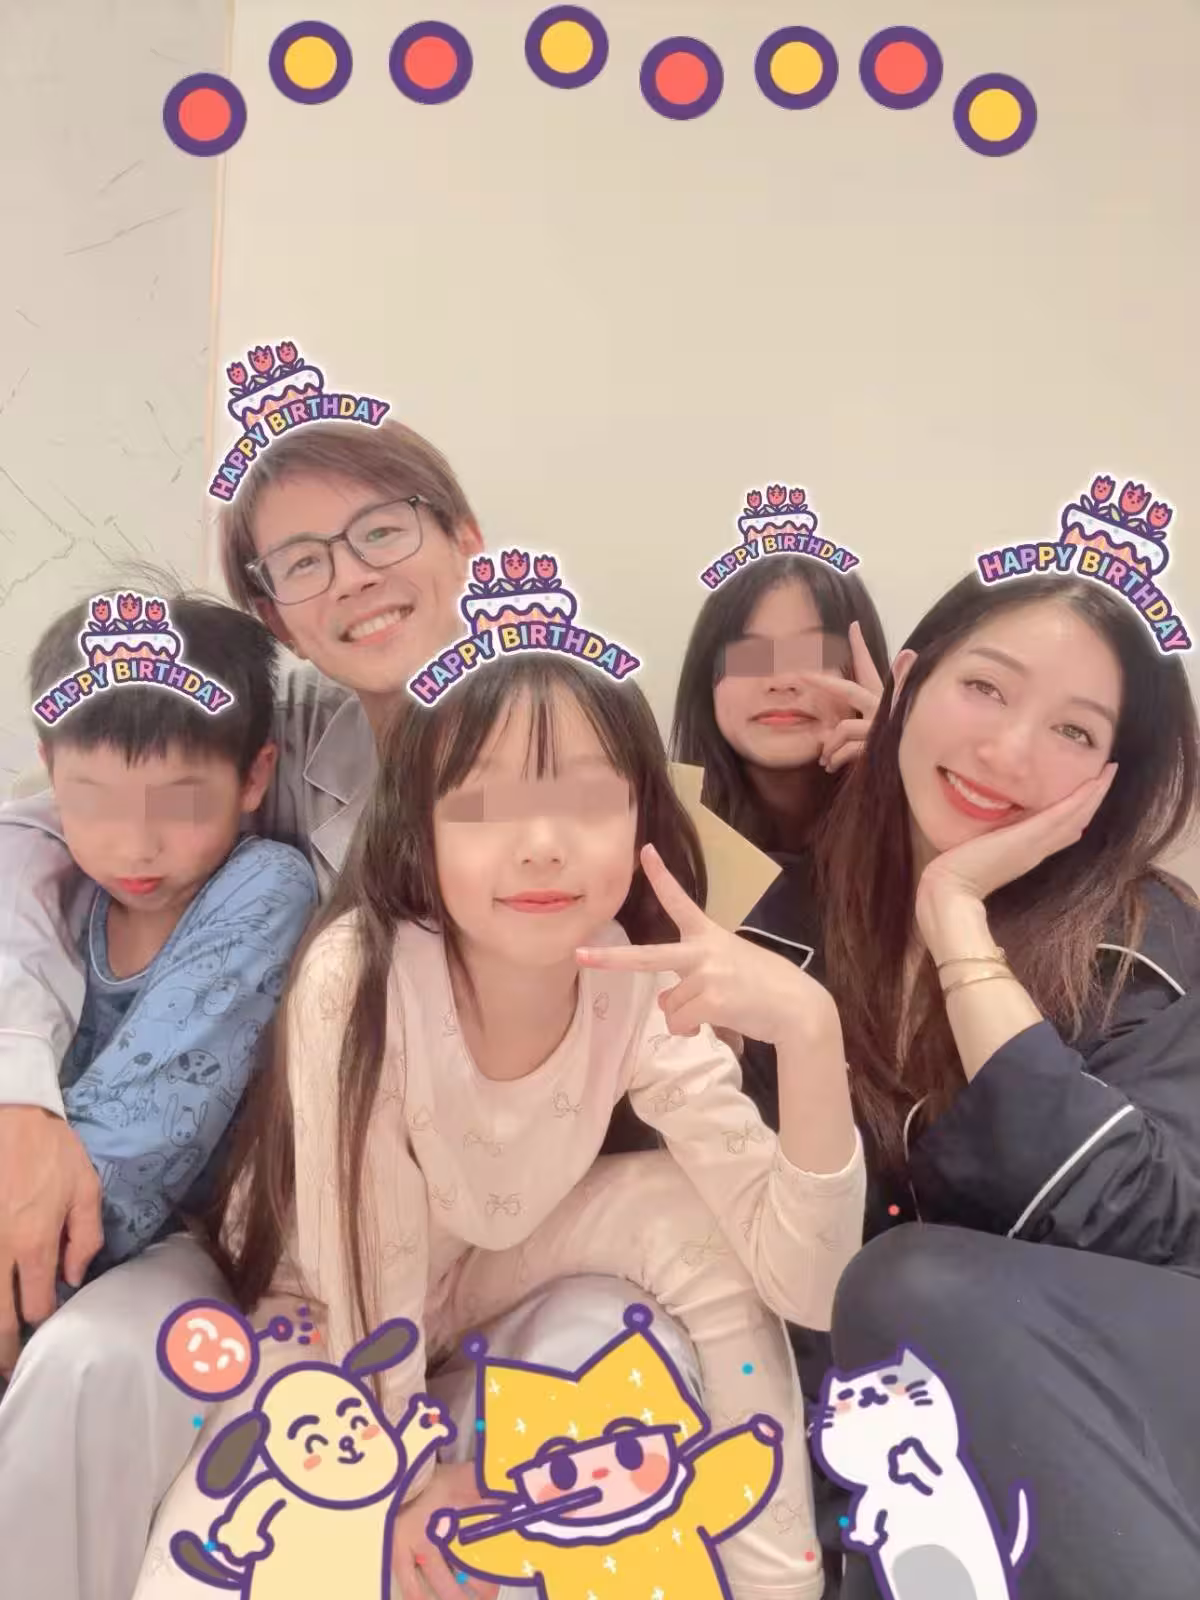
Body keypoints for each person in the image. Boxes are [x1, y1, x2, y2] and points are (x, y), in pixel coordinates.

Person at [0, 423, 695, 1599]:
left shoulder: (573, 724)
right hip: (282, 1243)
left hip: (510, 1230)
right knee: (89, 1363)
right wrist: (21, 1090)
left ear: (464, 536)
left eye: (381, 530)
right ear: (274, 611)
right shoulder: (272, 748)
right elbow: (35, 834)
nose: (354, 577)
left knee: (611, 1359)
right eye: (303, 561)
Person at [136, 652, 867, 1600]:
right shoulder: (359, 978)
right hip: (318, 1305)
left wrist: (811, 1031)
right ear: (420, 824)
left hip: (482, 1263)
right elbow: (364, 1257)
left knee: (693, 1213)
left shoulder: (634, 980)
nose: (543, 846)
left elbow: (807, 1285)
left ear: (643, 817)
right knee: (234, 1561)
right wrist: (401, 1479)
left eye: (590, 801)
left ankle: (780, 1587)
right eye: (485, 803)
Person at [745, 571, 1200, 1595]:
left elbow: (1153, 1231)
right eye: (985, 688)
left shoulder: (1147, 941)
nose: (1009, 751)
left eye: (1074, 731)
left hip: (1131, 1406)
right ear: (907, 685)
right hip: (899, 1453)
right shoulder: (785, 927)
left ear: (1113, 776)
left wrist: (958, 925)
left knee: (909, 1282)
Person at [27, 594, 317, 1296]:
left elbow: (127, 1159)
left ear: (254, 776)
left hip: (153, 1258)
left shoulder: (265, 887)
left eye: (179, 802)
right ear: (49, 771)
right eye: (95, 799)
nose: (136, 846)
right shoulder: (51, 888)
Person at [671, 556, 889, 857]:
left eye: (814, 653)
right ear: (706, 680)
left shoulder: (918, 832)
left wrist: (893, 780)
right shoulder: (654, 840)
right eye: (750, 655)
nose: (782, 681)